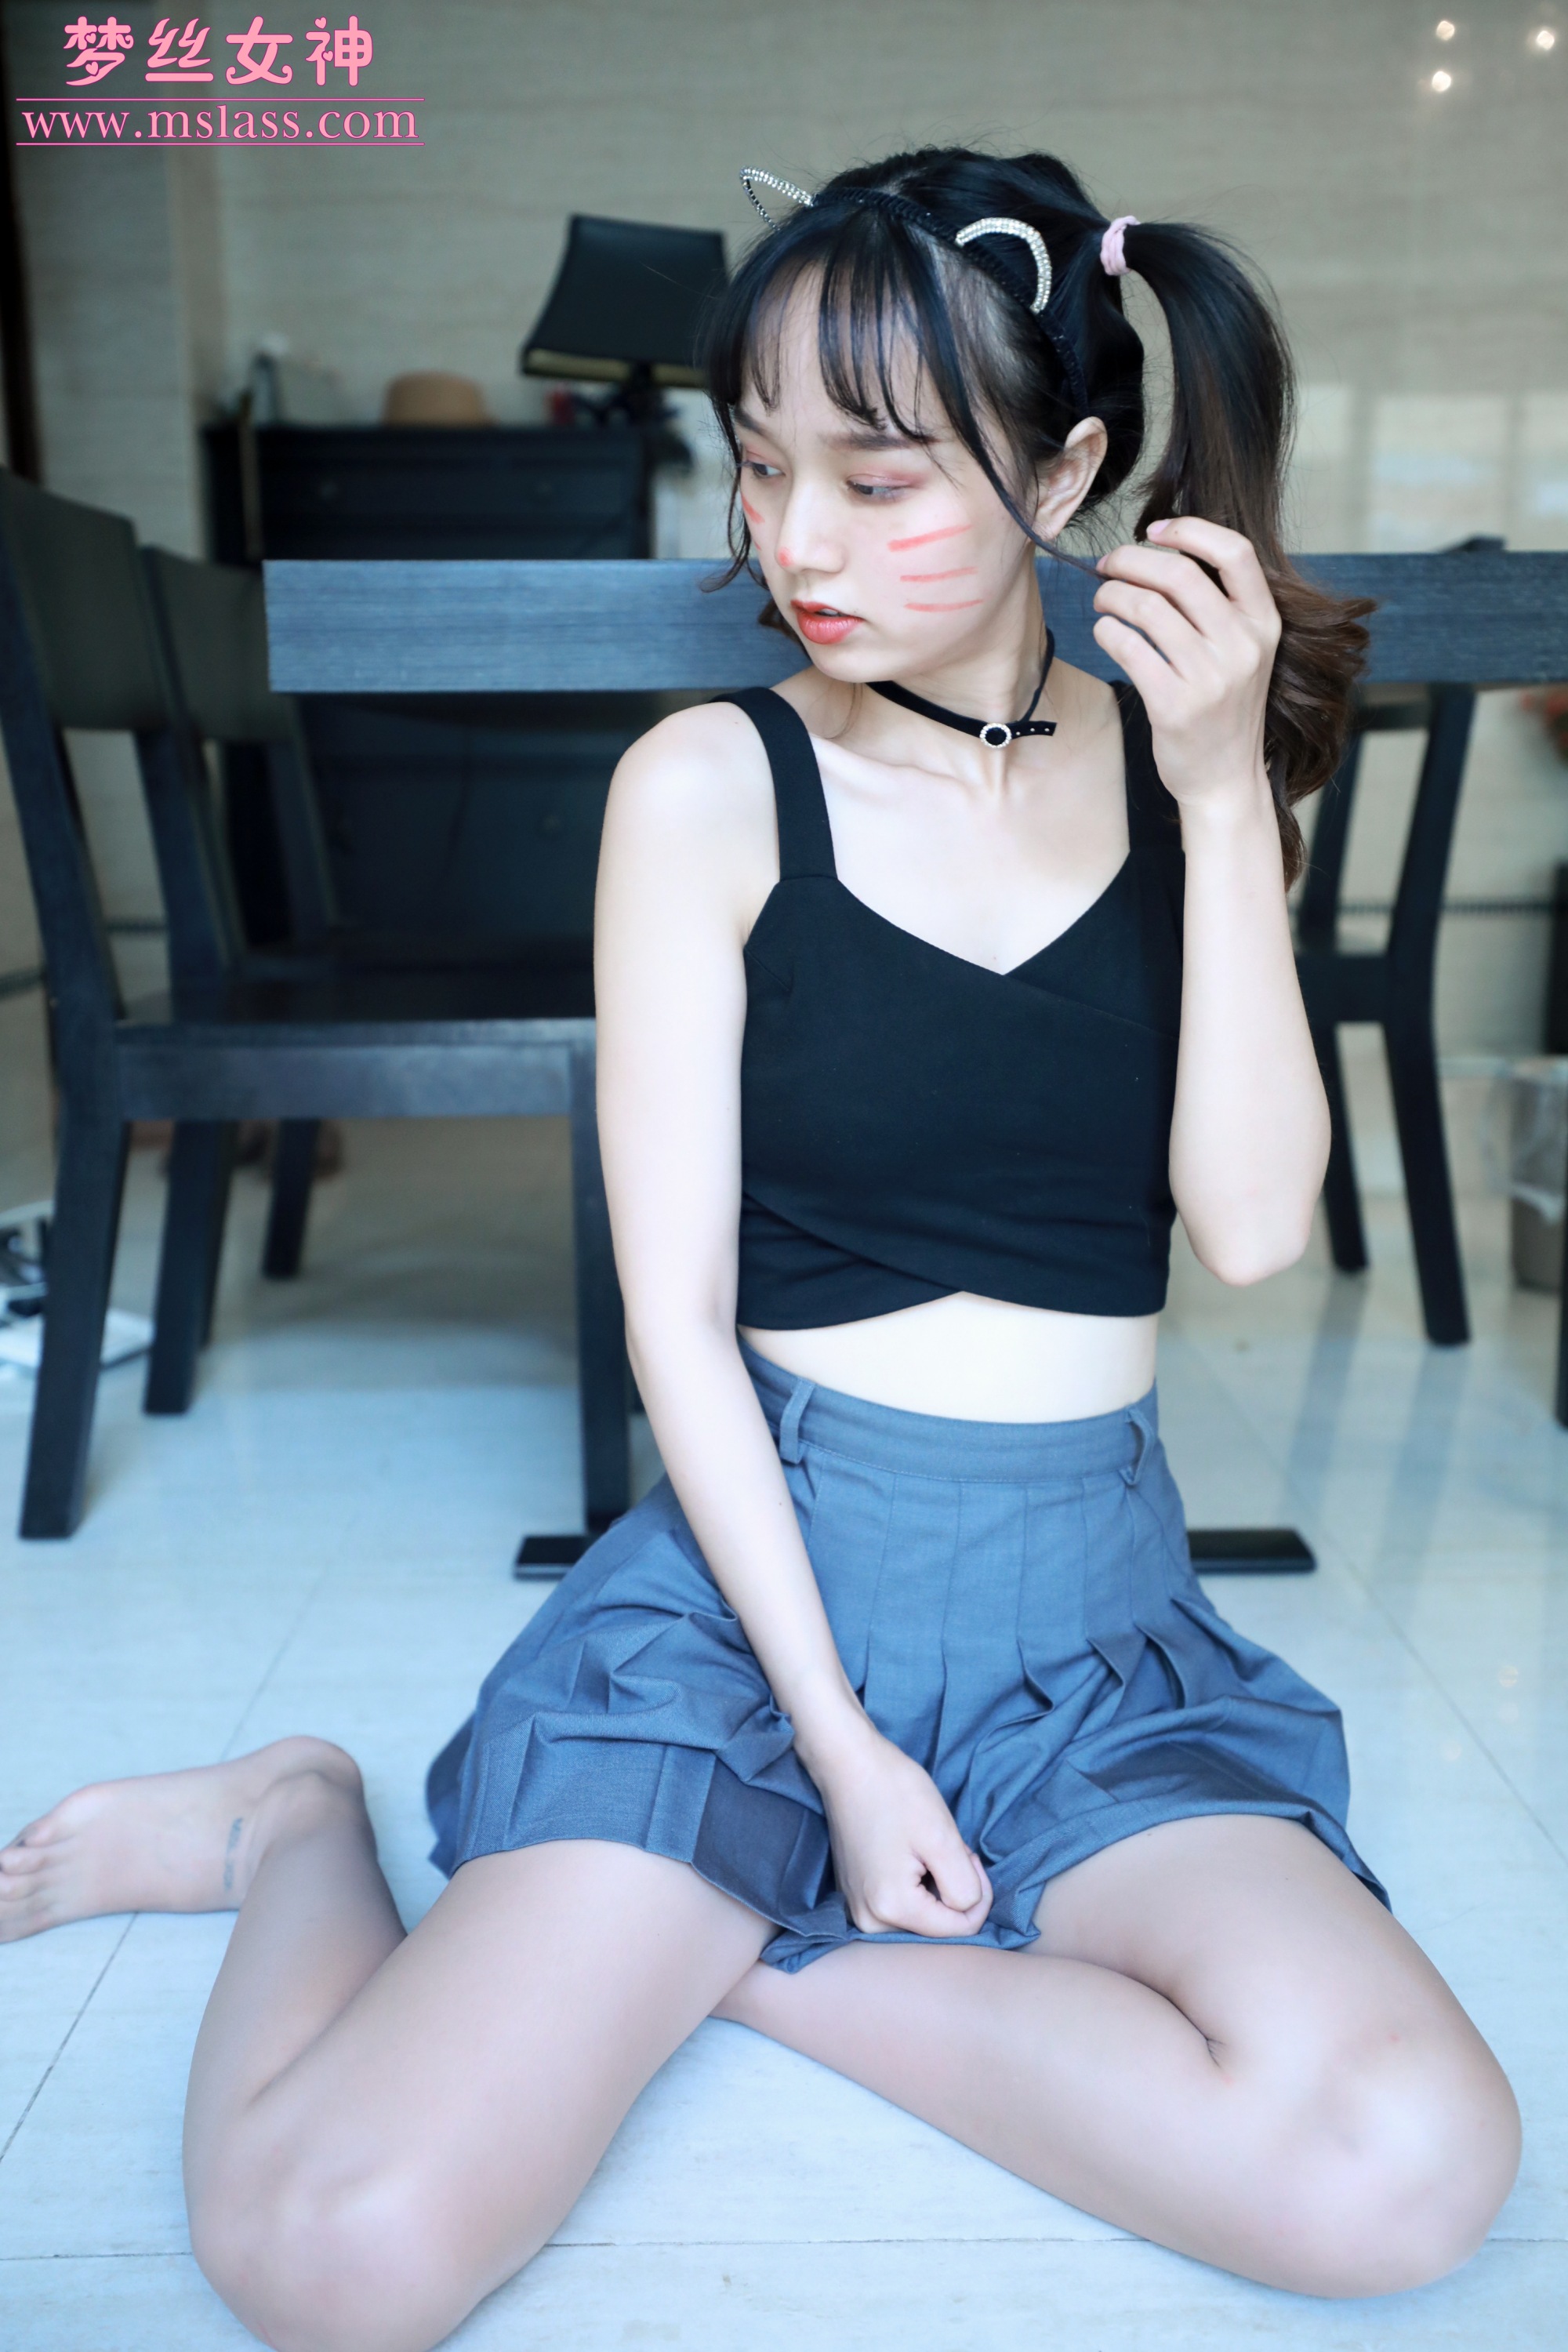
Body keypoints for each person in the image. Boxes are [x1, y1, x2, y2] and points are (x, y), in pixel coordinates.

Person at [1, 147, 1519, 2352]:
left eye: (880, 478)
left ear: (1067, 472)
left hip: (1087, 1639)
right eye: (763, 461)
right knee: (331, 2254)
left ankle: (751, 1957)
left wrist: (1219, 793)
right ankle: (293, 1822)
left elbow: (1264, 1226)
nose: (797, 541)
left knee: (1409, 2164)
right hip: (753, 1606)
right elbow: (677, 1329)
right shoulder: (708, 787)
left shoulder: (1178, 769)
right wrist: (837, 1748)